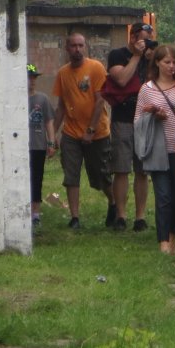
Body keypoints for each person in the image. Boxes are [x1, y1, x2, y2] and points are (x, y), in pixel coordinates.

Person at [52, 33, 115, 229]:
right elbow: (61, 106)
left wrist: (90, 130)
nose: (77, 49)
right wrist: (52, 135)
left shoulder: (95, 67)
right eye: (73, 46)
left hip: (97, 132)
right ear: (67, 48)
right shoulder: (63, 73)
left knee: (101, 176)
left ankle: (113, 203)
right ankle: (75, 217)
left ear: (85, 47)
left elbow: (100, 101)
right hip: (71, 133)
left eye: (80, 45)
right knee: (71, 174)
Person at [104, 22, 155, 232]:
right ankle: (121, 215)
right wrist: (136, 56)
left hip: (145, 119)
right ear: (133, 37)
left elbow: (156, 84)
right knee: (121, 168)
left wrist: (151, 60)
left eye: (150, 40)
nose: (146, 44)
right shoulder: (117, 55)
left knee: (142, 170)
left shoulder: (150, 58)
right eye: (143, 39)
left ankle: (140, 217)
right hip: (123, 118)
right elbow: (122, 80)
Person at [135, 44, 175, 254]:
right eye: (167, 62)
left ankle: (173, 234)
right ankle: (163, 241)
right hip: (158, 151)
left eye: (174, 62)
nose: (171, 66)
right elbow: (137, 120)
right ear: (157, 63)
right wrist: (153, 115)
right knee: (163, 196)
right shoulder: (146, 89)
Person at [27, 64, 56, 228]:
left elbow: (49, 122)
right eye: (29, 77)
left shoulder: (42, 99)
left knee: (37, 178)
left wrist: (51, 142)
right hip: (23, 146)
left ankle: (35, 213)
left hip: (38, 145)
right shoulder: (16, 100)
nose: (31, 81)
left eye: (34, 77)